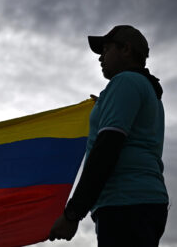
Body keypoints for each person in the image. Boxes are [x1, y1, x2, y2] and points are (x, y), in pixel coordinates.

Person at [49, 25, 169, 246]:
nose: (100, 58)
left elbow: (107, 148)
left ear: (126, 49)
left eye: (105, 50)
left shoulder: (125, 82)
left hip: (126, 204)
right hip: (142, 202)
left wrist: (73, 214)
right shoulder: (147, 90)